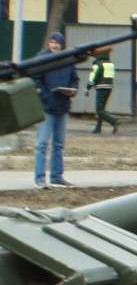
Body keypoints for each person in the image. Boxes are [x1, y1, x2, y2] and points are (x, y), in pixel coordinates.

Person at [33, 30, 77, 188]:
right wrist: (46, 96)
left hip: (63, 106)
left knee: (58, 144)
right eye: (52, 42)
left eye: (57, 43)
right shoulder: (42, 59)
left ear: (61, 44)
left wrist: (72, 89)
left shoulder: (68, 60)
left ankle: (56, 176)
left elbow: (74, 79)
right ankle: (39, 178)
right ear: (49, 43)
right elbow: (36, 80)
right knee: (42, 144)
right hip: (46, 107)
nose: (54, 45)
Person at [88, 49, 118, 134]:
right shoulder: (110, 64)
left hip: (101, 88)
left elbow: (93, 77)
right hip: (109, 88)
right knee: (102, 109)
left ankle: (113, 121)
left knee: (99, 110)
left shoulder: (98, 64)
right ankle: (98, 128)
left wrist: (88, 87)